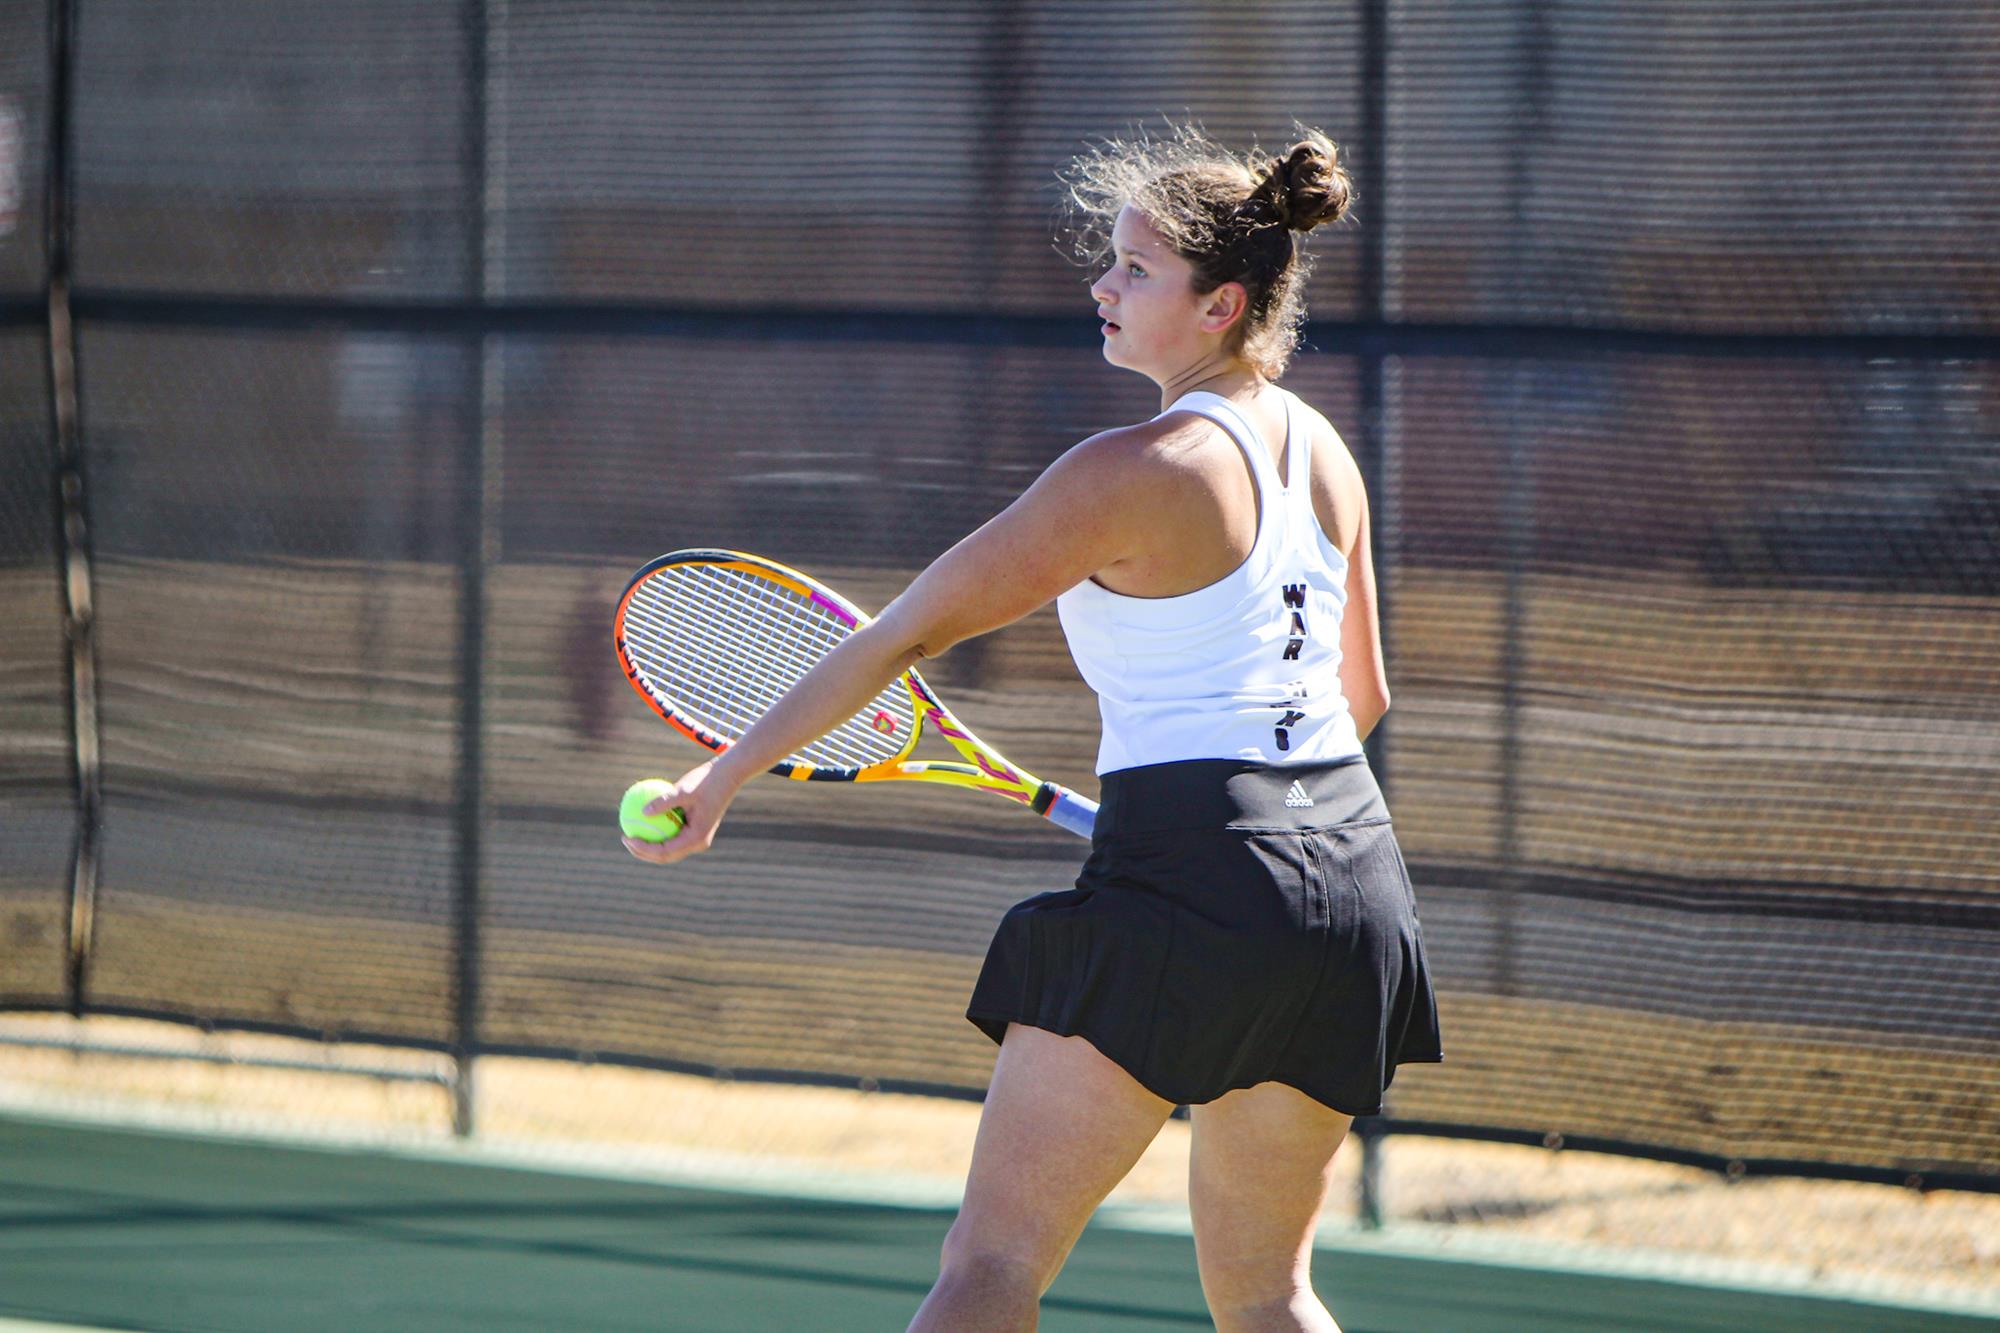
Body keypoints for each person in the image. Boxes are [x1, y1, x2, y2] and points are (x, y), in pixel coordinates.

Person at [624, 121, 1443, 1333]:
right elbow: (1359, 700)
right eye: (1109, 262)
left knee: (990, 1268)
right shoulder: (1324, 451)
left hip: (1198, 874)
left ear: (1221, 306)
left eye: (1135, 272)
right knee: (1269, 1295)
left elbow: (900, 633)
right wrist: (1229, 838)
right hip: (1355, 887)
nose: (1102, 288)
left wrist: (722, 779)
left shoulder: (1130, 468)